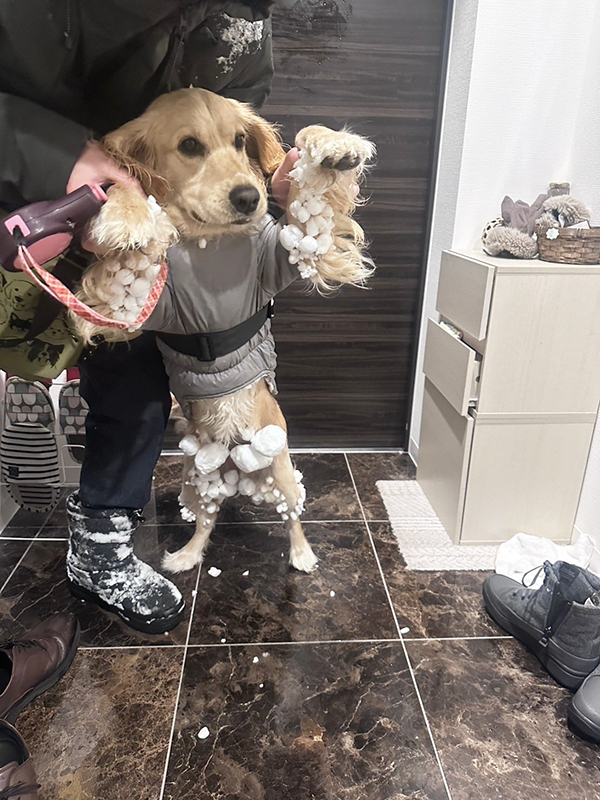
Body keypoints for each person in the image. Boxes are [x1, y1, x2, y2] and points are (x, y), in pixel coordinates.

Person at [0, 0, 298, 633]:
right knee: (113, 366)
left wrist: (257, 176)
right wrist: (60, 161)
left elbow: (240, 102)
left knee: (149, 365)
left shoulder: (243, 14)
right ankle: (102, 546)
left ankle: (103, 540)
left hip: (166, 214)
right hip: (38, 195)